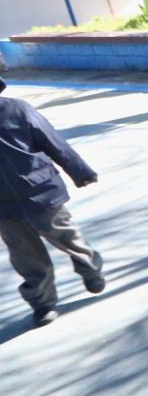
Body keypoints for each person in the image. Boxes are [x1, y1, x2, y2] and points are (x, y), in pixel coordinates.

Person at [0, 76, 105, 327]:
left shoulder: (17, 109)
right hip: (3, 207)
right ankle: (42, 304)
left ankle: (90, 269)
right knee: (26, 257)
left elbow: (52, 141)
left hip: (41, 193)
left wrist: (81, 171)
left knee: (67, 237)